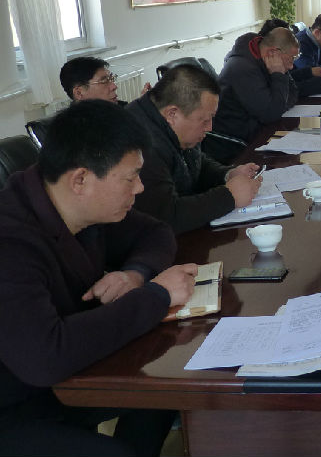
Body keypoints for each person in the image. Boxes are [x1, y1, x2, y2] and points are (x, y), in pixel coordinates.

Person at [0, 100, 197, 456]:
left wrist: (135, 274)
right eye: (130, 177)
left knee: (169, 388)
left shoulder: (81, 208)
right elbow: (45, 356)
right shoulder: (11, 240)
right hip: (15, 403)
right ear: (80, 179)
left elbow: (156, 233)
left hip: (64, 378)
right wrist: (156, 296)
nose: (139, 188)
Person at [126, 64, 262, 234]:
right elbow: (165, 217)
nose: (210, 128)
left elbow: (194, 163)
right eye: (204, 121)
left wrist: (227, 174)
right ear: (172, 114)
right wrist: (229, 196)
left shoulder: (176, 126)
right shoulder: (140, 144)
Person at [205, 26, 304, 163]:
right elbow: (271, 113)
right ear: (272, 52)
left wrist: (278, 100)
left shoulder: (269, 59)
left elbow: (293, 92)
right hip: (234, 145)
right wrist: (278, 75)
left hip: (257, 132)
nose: (291, 66)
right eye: (291, 59)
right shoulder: (241, 69)